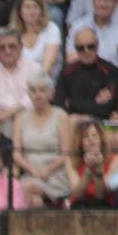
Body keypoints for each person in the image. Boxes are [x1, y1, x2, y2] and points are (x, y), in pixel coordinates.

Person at [11, 72, 71, 207]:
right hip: (30, 174)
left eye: (42, 90)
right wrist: (33, 171)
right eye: (33, 91)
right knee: (35, 201)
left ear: (51, 94)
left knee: (25, 189)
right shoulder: (20, 118)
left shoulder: (61, 116)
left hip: (54, 176)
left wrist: (47, 170)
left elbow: (66, 153)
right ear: (28, 94)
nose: (37, 94)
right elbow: (16, 154)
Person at [55, 24, 118, 120]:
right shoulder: (66, 73)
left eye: (90, 46)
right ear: (76, 49)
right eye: (81, 48)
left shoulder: (112, 72)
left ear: (97, 46)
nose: (86, 51)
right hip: (72, 123)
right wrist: (93, 103)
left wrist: (72, 103)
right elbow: (59, 105)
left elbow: (106, 108)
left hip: (101, 124)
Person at [0, 29, 36, 137]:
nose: (7, 51)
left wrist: (9, 113)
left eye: (12, 46)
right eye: (2, 47)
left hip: (27, 120)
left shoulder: (34, 68)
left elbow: (33, 97)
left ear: (21, 48)